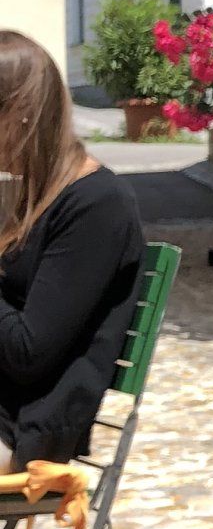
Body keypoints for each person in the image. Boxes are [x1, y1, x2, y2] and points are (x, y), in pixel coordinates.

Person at [0, 31, 146, 471]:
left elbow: (28, 352)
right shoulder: (30, 195)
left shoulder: (97, 204)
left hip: (22, 431)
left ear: (20, 114)